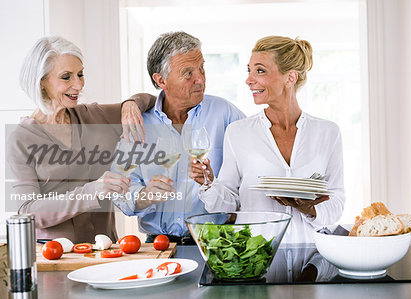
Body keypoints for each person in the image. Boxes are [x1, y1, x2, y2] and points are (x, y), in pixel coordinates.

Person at [191, 36, 345, 243]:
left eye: (260, 70)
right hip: (257, 256)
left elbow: (336, 200)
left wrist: (310, 209)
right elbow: (229, 203)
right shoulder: (238, 132)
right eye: (249, 70)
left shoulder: (328, 132)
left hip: (314, 254)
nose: (249, 79)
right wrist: (208, 183)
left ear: (290, 78)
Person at [6, 36, 156, 244]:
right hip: (56, 258)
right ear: (41, 82)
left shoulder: (93, 116)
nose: (78, 84)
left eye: (80, 74)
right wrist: (92, 191)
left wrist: (131, 103)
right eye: (66, 77)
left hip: (106, 251)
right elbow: (27, 211)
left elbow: (152, 101)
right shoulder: (21, 139)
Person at [113, 31, 245, 245]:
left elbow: (251, 173)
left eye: (201, 68)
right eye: (188, 73)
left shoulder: (226, 114)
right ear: (161, 79)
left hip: (218, 244)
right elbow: (119, 190)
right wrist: (145, 195)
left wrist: (225, 197)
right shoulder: (139, 123)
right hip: (157, 246)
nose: (200, 79)